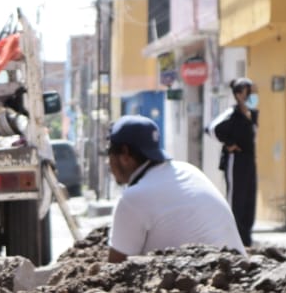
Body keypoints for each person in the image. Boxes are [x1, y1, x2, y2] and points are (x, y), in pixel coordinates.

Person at [106, 115, 245, 263]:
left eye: (110, 154)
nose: (109, 163)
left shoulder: (132, 199)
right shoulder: (189, 170)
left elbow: (115, 268)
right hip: (243, 274)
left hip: (198, 281)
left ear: (125, 154)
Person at [207, 78, 258, 247]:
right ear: (238, 94)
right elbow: (212, 128)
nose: (251, 95)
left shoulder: (252, 114)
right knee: (236, 199)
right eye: (247, 91)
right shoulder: (232, 114)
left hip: (249, 160)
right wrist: (229, 144)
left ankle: (246, 239)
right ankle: (231, 238)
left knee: (249, 200)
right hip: (236, 161)